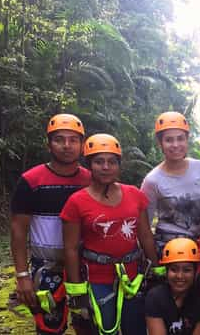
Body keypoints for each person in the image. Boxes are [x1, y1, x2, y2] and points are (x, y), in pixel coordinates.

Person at [61, 134, 160, 335]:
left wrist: (156, 270)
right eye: (99, 162)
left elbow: (145, 236)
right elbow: (70, 248)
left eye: (112, 162)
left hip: (133, 278)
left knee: (136, 330)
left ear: (118, 165)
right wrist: (76, 290)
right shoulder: (76, 202)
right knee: (105, 329)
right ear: (89, 164)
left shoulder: (134, 195)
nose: (106, 167)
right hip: (97, 279)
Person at [9, 113, 93, 334]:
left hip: (86, 266)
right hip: (46, 267)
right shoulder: (31, 181)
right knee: (49, 327)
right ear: (49, 144)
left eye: (73, 140)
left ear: (82, 145)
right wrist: (22, 276)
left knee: (90, 324)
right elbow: (18, 231)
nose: (67, 145)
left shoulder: (90, 180)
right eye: (59, 139)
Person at [141, 112, 200, 266]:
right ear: (160, 143)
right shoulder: (152, 180)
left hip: (199, 244)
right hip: (168, 248)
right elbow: (144, 228)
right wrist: (154, 264)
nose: (175, 145)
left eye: (180, 138)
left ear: (187, 140)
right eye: (169, 140)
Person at [145, 238, 200, 335]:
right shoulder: (154, 297)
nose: (179, 276)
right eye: (174, 269)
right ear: (166, 271)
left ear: (195, 272)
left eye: (186, 270)